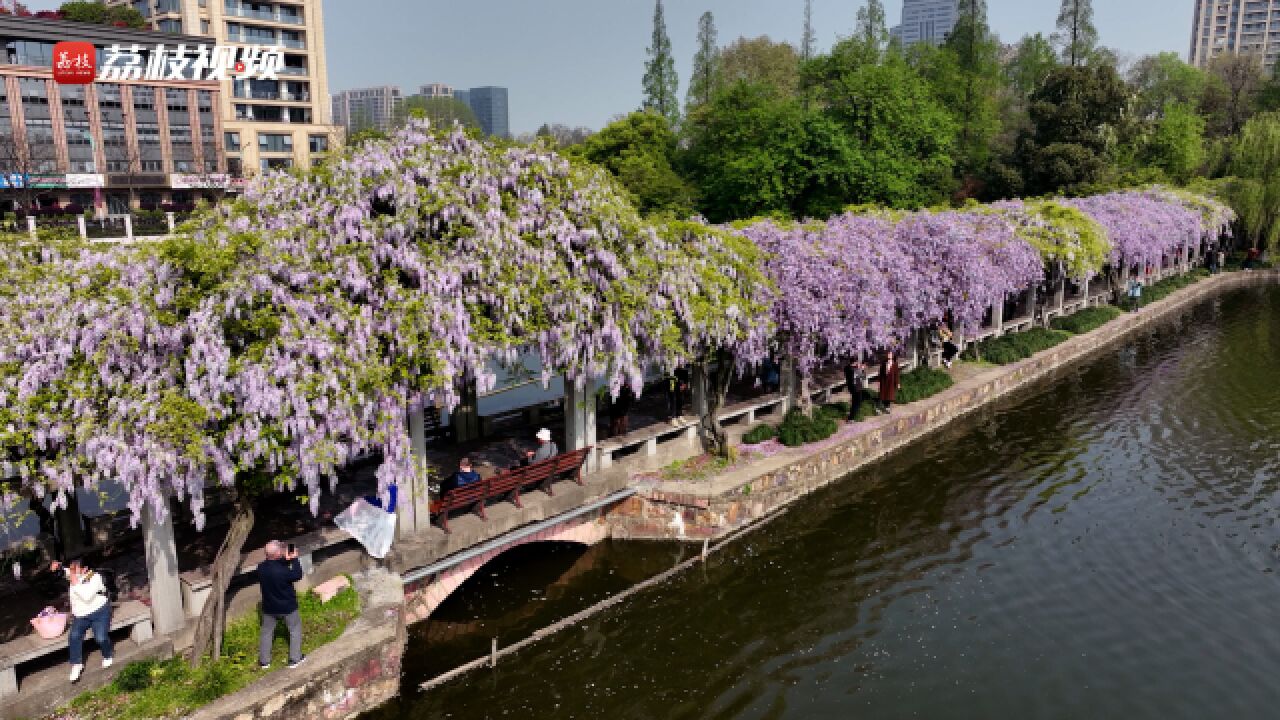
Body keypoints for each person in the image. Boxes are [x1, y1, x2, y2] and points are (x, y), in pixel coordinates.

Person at [50, 559, 113, 682]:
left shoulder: (95, 577)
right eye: (71, 569)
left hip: (99, 612)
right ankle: (77, 664)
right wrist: (55, 568)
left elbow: (86, 596)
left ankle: (107, 654)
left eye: (75, 569)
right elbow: (61, 572)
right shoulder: (74, 574)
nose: (71, 572)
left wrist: (74, 581)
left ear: (85, 569)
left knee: (100, 637)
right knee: (74, 636)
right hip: (81, 616)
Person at [258, 540, 305, 670]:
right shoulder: (283, 571)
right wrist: (294, 559)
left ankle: (264, 661)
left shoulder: (261, 568)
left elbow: (274, 566)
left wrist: (285, 559)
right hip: (287, 607)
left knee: (266, 632)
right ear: (278, 553)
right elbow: (297, 574)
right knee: (295, 630)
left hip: (269, 607)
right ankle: (295, 659)